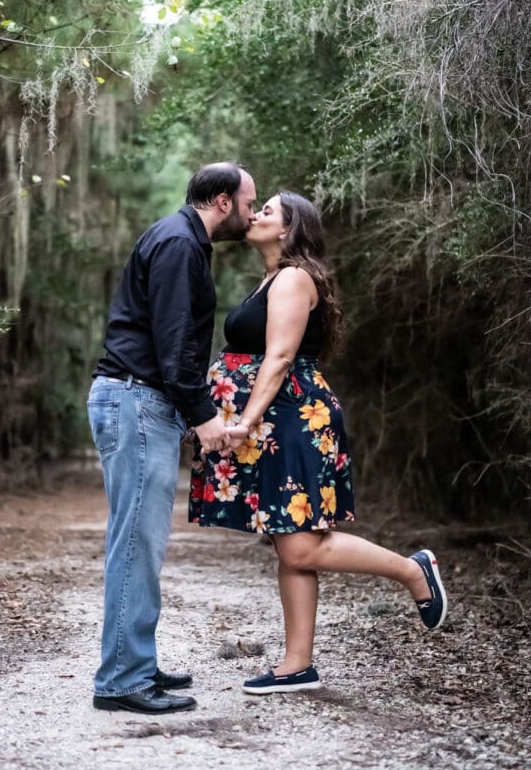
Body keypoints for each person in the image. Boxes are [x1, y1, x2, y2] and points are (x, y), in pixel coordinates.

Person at [189, 191, 448, 694]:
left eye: (267, 210)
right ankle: (298, 663)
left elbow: (281, 357)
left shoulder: (291, 278)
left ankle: (413, 571)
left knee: (303, 545)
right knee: (290, 545)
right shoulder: (271, 278)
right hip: (276, 421)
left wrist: (244, 420)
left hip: (288, 420)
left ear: (288, 229)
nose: (255, 214)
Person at [88, 162, 256, 713]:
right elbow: (174, 341)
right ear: (224, 201)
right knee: (136, 543)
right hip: (137, 399)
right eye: (249, 202)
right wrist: (203, 416)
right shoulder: (181, 244)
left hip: (138, 400)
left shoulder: (179, 239)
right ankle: (122, 682)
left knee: (138, 541)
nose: (252, 214)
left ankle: (132, 662)